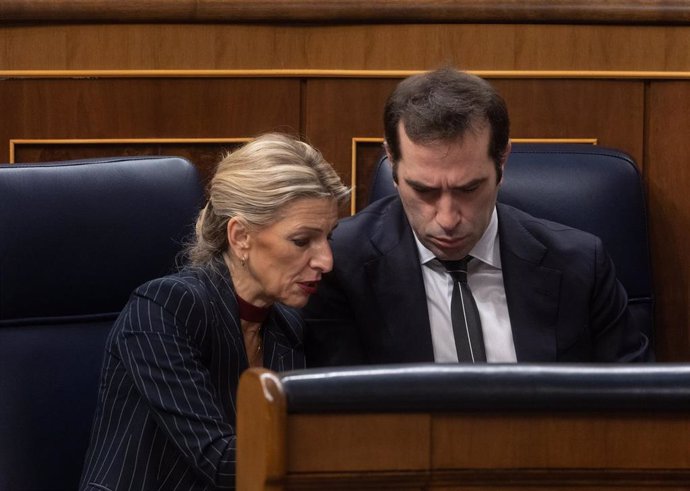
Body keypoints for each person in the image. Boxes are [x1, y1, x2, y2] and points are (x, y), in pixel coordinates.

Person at [302, 67, 649, 365]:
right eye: (424, 191)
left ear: (502, 161)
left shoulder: (579, 265)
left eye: (468, 190)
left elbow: (636, 408)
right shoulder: (339, 265)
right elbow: (335, 421)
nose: (448, 219)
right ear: (392, 162)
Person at [79, 133, 349, 490]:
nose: (326, 261)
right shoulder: (163, 309)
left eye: (328, 237)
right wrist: (359, 449)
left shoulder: (287, 324)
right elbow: (220, 461)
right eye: (302, 241)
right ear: (240, 237)